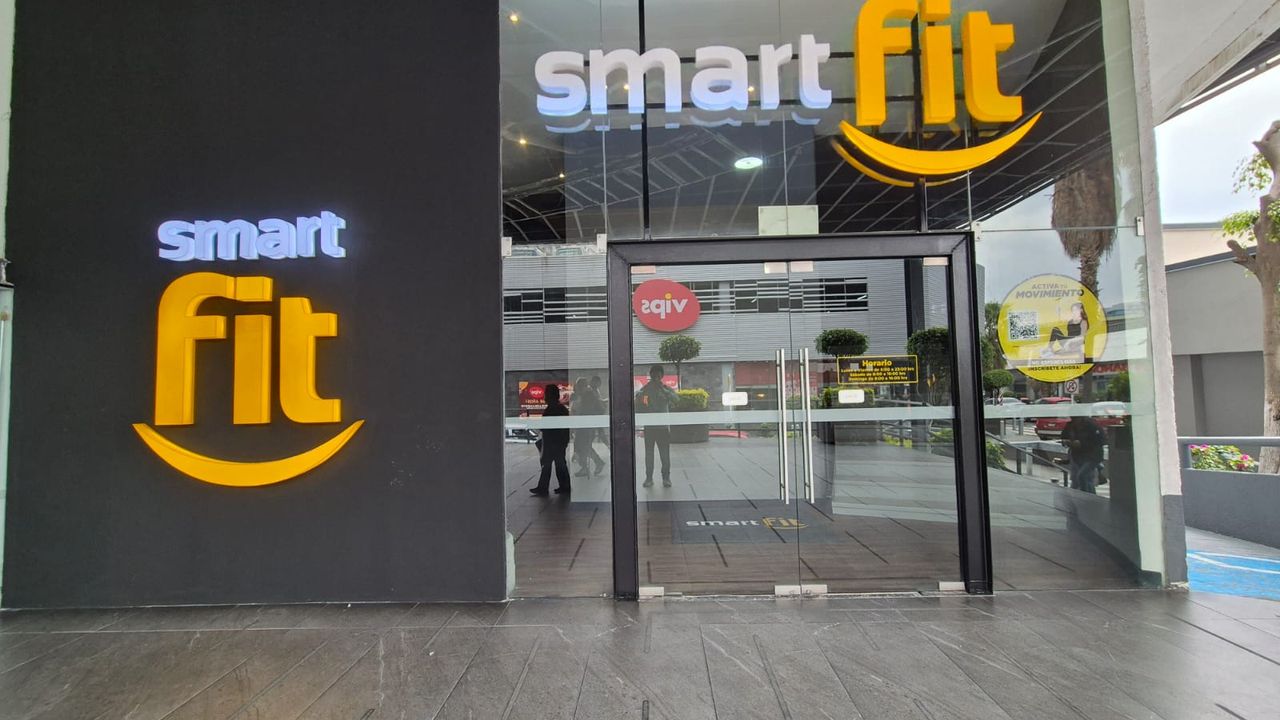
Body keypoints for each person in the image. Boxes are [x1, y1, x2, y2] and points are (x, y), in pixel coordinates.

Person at [636, 364, 677, 488]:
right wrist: (640, 398)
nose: (656, 377)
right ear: (651, 375)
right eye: (654, 375)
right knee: (649, 455)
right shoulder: (645, 389)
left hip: (663, 428)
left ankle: (666, 478)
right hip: (650, 427)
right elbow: (641, 404)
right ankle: (649, 478)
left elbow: (676, 399)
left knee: (665, 455)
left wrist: (664, 391)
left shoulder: (666, 388)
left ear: (662, 376)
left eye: (658, 375)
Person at [531, 384, 571, 496]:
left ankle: (543, 487)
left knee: (547, 464)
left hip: (551, 441)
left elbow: (546, 426)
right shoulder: (561, 408)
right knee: (560, 463)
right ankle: (564, 486)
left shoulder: (551, 409)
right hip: (559, 441)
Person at [1061, 412, 1106, 494]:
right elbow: (1064, 436)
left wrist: (1081, 443)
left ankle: (1086, 495)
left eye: (1076, 418)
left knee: (1083, 476)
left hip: (1092, 456)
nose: (1075, 421)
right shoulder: (1071, 425)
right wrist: (1066, 441)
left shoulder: (1091, 425)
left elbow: (1101, 441)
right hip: (1077, 455)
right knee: (1085, 478)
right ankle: (1089, 495)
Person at [571, 377, 606, 477]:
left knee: (584, 446)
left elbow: (585, 410)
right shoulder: (584, 395)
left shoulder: (588, 396)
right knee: (583, 446)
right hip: (584, 425)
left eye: (578, 386)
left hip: (586, 426)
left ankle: (593, 464)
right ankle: (587, 466)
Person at [590, 375, 609, 448]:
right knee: (597, 432)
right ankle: (608, 445)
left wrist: (603, 402)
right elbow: (596, 401)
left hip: (597, 414)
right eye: (598, 383)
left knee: (599, 431)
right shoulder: (590, 391)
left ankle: (608, 445)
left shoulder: (596, 390)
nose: (599, 384)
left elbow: (598, 400)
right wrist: (603, 401)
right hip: (594, 415)